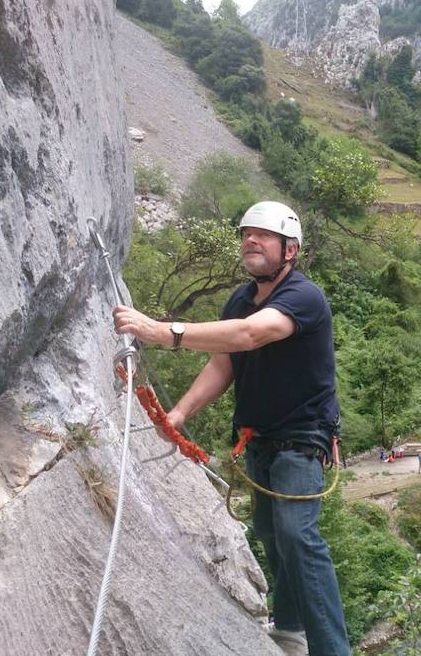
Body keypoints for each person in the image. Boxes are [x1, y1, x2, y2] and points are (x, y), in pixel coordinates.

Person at [112, 201, 350, 656]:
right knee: (269, 530)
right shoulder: (241, 299)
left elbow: (248, 336)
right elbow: (225, 362)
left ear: (290, 250)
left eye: (263, 235)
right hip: (259, 438)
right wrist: (180, 414)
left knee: (297, 534)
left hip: (303, 438)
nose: (250, 241)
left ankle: (331, 650)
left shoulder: (304, 297)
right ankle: (292, 629)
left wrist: (161, 332)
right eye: (246, 234)